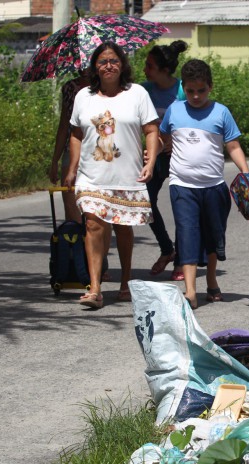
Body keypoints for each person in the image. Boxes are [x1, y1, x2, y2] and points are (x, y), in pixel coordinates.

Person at [64, 42, 159, 309]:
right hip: (91, 176)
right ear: (95, 66)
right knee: (93, 225)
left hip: (126, 175)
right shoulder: (84, 96)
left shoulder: (137, 93)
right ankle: (95, 288)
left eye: (114, 61)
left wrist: (150, 162)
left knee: (123, 228)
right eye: (103, 61)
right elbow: (75, 134)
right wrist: (72, 168)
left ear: (122, 65)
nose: (109, 65)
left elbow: (151, 130)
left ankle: (125, 280)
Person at [159, 59, 249, 310]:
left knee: (213, 237)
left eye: (201, 90)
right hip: (182, 186)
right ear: (183, 88)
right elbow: (163, 136)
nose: (196, 96)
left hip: (214, 187)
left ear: (210, 87)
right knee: (187, 234)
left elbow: (233, 146)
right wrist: (153, 153)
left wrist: (246, 174)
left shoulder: (221, 112)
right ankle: (190, 291)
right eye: (190, 91)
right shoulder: (174, 111)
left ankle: (211, 279)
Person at [141, 41, 188, 281]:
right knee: (146, 202)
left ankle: (180, 260)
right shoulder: (143, 90)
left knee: (182, 206)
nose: (145, 70)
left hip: (180, 155)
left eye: (149, 66)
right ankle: (167, 249)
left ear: (164, 70)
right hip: (154, 156)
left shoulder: (182, 89)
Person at [49, 69, 89, 223]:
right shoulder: (70, 88)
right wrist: (55, 160)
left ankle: (90, 241)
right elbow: (64, 126)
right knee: (70, 200)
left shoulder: (106, 87)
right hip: (71, 148)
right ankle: (78, 241)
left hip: (99, 150)